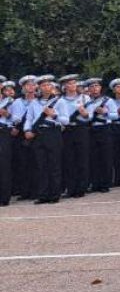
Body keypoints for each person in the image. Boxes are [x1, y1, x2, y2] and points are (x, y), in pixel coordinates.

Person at [25, 76, 64, 204]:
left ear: (52, 87)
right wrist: (27, 130)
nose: (46, 87)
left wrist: (54, 114)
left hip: (53, 133)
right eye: (43, 85)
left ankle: (54, 195)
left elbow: (66, 120)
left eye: (48, 85)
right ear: (39, 88)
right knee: (41, 165)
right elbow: (29, 119)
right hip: (38, 134)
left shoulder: (59, 101)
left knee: (54, 165)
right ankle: (43, 194)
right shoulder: (34, 103)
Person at [57, 75, 92, 198]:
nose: (73, 86)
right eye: (69, 83)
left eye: (74, 83)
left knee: (82, 158)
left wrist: (85, 113)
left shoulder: (85, 98)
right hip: (66, 130)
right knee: (69, 159)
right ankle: (71, 188)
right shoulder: (60, 100)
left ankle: (81, 188)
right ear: (64, 86)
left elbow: (90, 116)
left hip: (81, 128)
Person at [83, 79, 115, 193]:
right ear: (88, 89)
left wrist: (105, 113)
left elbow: (115, 116)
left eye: (97, 86)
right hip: (91, 129)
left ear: (100, 88)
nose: (94, 88)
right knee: (93, 157)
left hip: (104, 128)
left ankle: (105, 183)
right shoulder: (86, 101)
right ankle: (95, 183)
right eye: (92, 86)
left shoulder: (108, 100)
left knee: (105, 156)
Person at [0, 80, 14, 206]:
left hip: (3, 132)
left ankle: (4, 197)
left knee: (4, 165)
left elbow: (16, 119)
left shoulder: (9, 101)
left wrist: (7, 114)